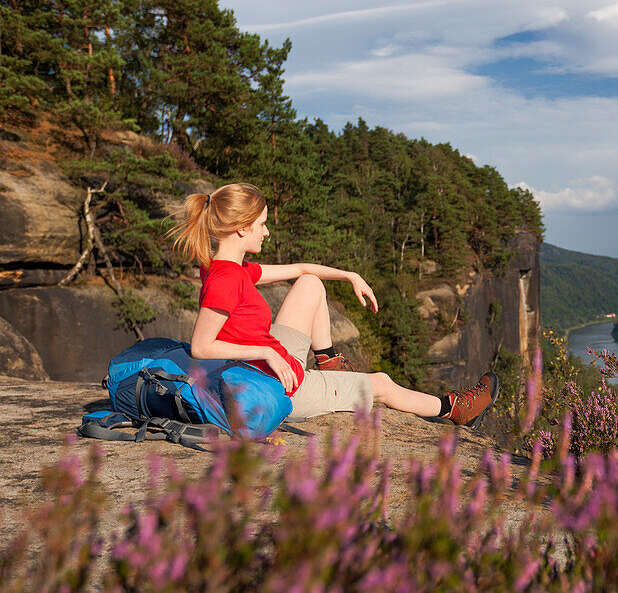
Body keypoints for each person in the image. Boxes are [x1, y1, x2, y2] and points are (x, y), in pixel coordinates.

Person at [167, 182, 498, 427]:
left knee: (310, 284)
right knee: (381, 383)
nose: (266, 233)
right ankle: (455, 409)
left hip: (271, 359)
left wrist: (350, 275)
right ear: (241, 229)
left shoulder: (228, 268)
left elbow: (301, 270)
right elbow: (201, 346)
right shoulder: (226, 280)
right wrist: (267, 353)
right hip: (281, 387)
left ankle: (329, 364)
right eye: (262, 224)